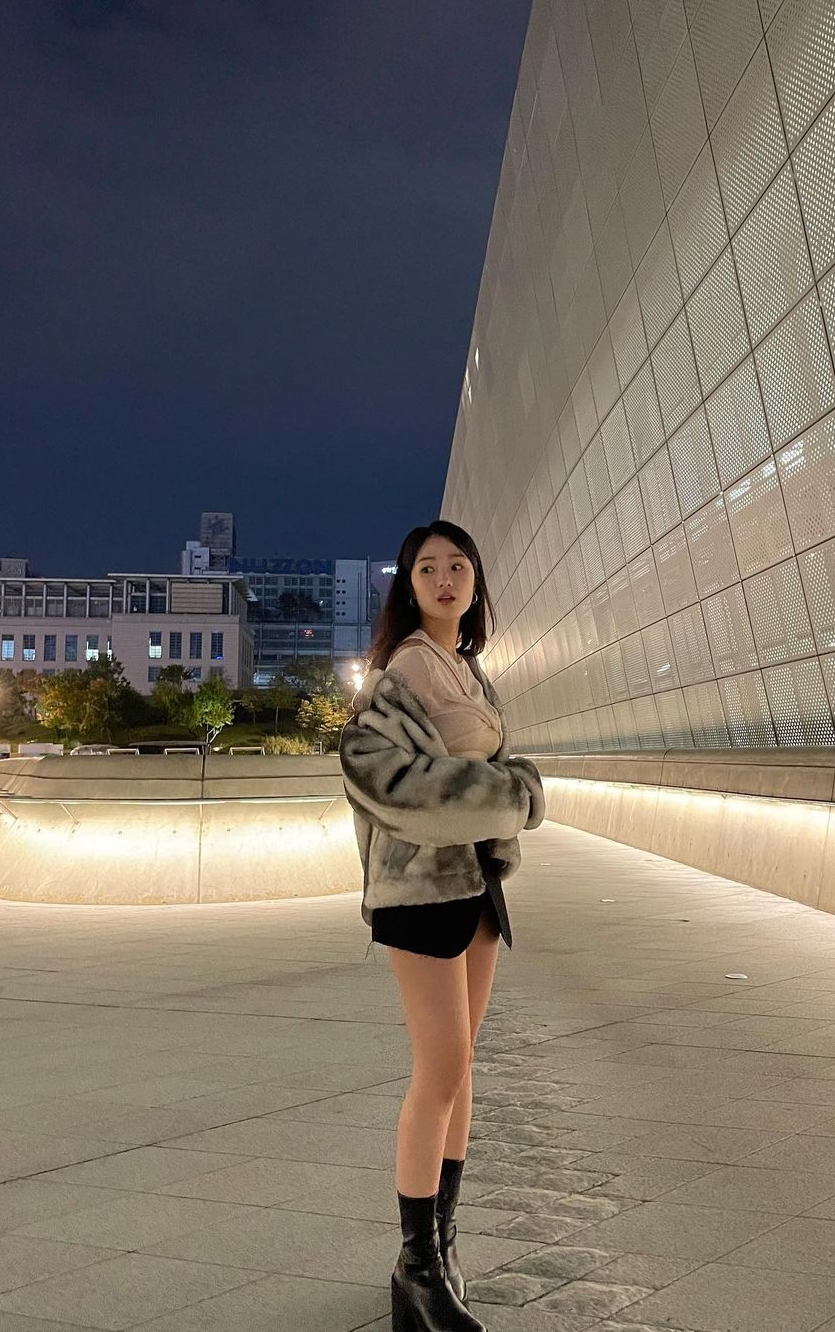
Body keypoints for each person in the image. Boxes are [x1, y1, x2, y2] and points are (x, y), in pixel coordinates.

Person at [340, 520, 544, 1332]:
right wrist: (509, 795)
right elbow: (383, 778)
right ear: (409, 585)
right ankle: (415, 1268)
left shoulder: (468, 670)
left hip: (477, 884)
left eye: (458, 566)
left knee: (461, 1073)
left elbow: (489, 764)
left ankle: (442, 1246)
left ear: (476, 581)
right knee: (440, 1070)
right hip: (420, 890)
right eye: (428, 568)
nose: (445, 579)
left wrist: (508, 792)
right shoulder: (401, 673)